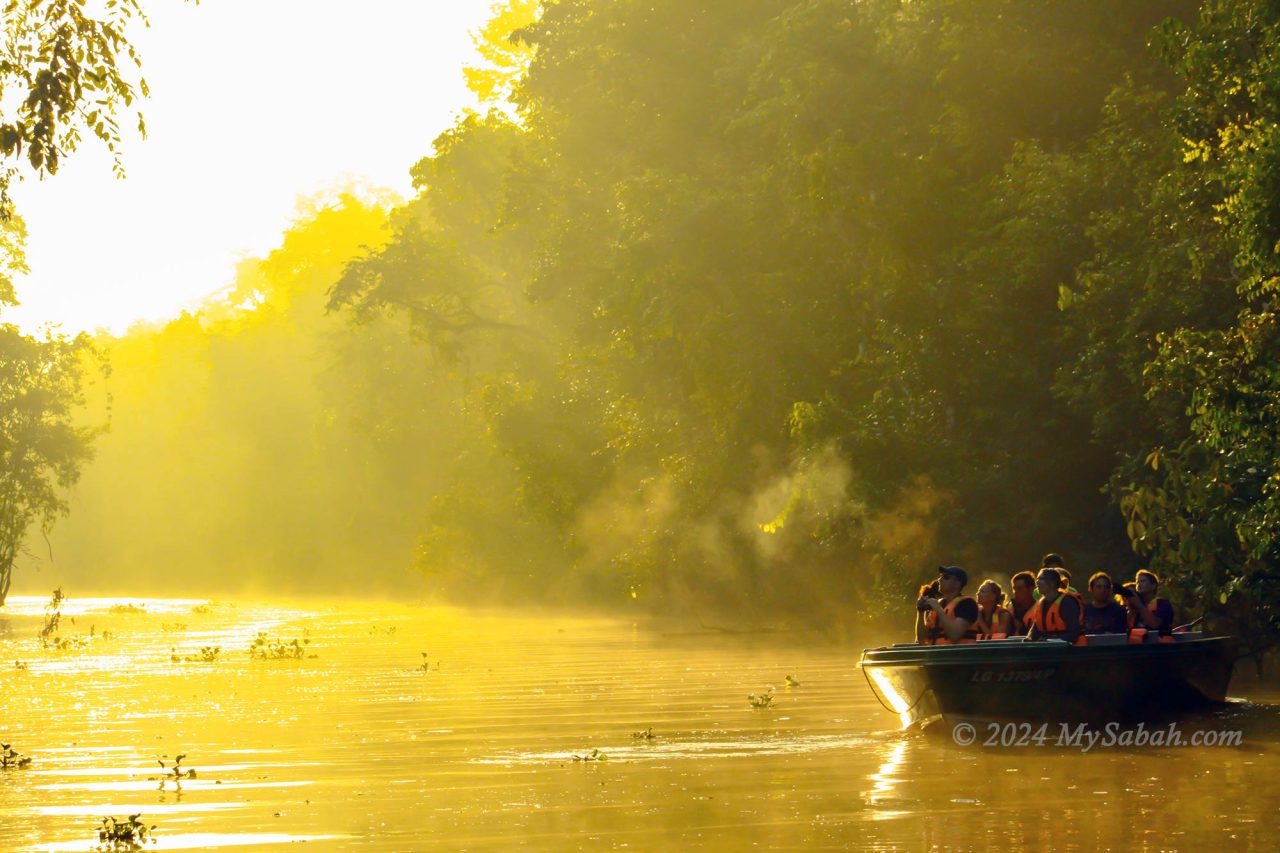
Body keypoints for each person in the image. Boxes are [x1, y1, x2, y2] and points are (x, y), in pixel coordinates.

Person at [915, 566, 978, 645]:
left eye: (946, 577)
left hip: (959, 655)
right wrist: (920, 612)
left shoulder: (967, 604)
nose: (939, 580)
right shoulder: (939, 604)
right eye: (941, 576)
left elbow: (955, 635)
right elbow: (921, 640)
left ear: (957, 584)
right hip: (936, 655)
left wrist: (939, 610)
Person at [1025, 567, 1082, 644]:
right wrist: (1029, 638)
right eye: (1037, 579)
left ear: (1052, 583)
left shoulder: (1067, 602)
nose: (1037, 582)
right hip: (1052, 649)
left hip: (1074, 651)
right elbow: (1035, 629)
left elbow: (1073, 634)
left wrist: (1048, 641)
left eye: (1041, 579)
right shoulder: (1041, 603)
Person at [1123, 570, 1175, 635]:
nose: (1139, 584)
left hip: (1159, 644)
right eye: (1137, 582)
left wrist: (1139, 605)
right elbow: (1123, 629)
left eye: (1142, 581)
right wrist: (1130, 609)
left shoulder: (1163, 604)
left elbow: (1155, 625)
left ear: (1153, 586)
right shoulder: (1134, 607)